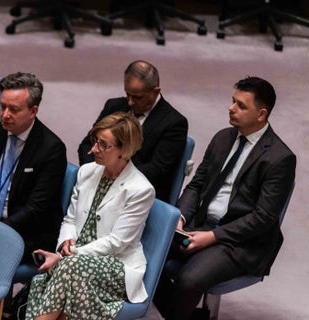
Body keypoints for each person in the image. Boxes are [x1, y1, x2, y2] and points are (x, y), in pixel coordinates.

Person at [154, 76, 296, 319]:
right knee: (142, 253)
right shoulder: (223, 138)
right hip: (200, 224)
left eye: (241, 105)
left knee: (189, 280)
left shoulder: (280, 158)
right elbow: (196, 185)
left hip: (240, 242)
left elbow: (263, 218)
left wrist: (213, 237)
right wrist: (179, 218)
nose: (231, 108)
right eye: (233, 101)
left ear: (261, 114)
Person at [26, 112, 155, 320]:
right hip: (74, 262)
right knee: (59, 282)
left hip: (115, 265)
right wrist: (65, 243)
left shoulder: (140, 189)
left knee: (66, 270)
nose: (93, 149)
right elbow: (70, 219)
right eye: (95, 141)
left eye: (104, 145)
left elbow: (117, 243)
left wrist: (64, 257)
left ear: (124, 150)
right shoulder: (87, 171)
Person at [0, 72, 67, 263]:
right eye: (2, 107)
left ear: (33, 111)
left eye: (14, 109)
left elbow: (35, 209)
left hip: (23, 232)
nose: (5, 115)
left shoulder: (52, 149)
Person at [77, 60, 188, 202]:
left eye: (137, 97)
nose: (130, 102)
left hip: (136, 195)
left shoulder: (174, 123)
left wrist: (112, 179)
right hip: (98, 183)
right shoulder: (114, 106)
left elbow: (157, 170)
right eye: (127, 94)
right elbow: (87, 145)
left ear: (156, 92)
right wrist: (95, 175)